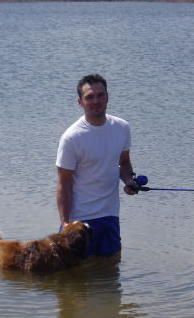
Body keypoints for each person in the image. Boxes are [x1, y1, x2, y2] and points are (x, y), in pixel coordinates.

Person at [56, 74, 137, 257]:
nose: (96, 101)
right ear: (80, 102)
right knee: (76, 277)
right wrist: (65, 224)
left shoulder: (122, 127)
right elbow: (64, 184)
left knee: (110, 272)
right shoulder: (72, 137)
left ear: (107, 97)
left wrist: (129, 181)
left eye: (100, 95)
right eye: (89, 97)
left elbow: (123, 163)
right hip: (80, 221)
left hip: (110, 216)